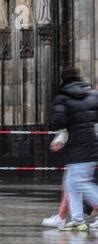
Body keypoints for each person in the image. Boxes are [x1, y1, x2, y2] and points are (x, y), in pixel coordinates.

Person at [51, 67, 98, 232]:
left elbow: (59, 120)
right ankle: (78, 220)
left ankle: (79, 219)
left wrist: (61, 135)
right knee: (71, 183)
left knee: (80, 182)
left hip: (77, 144)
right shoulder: (91, 94)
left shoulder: (62, 97)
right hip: (90, 142)